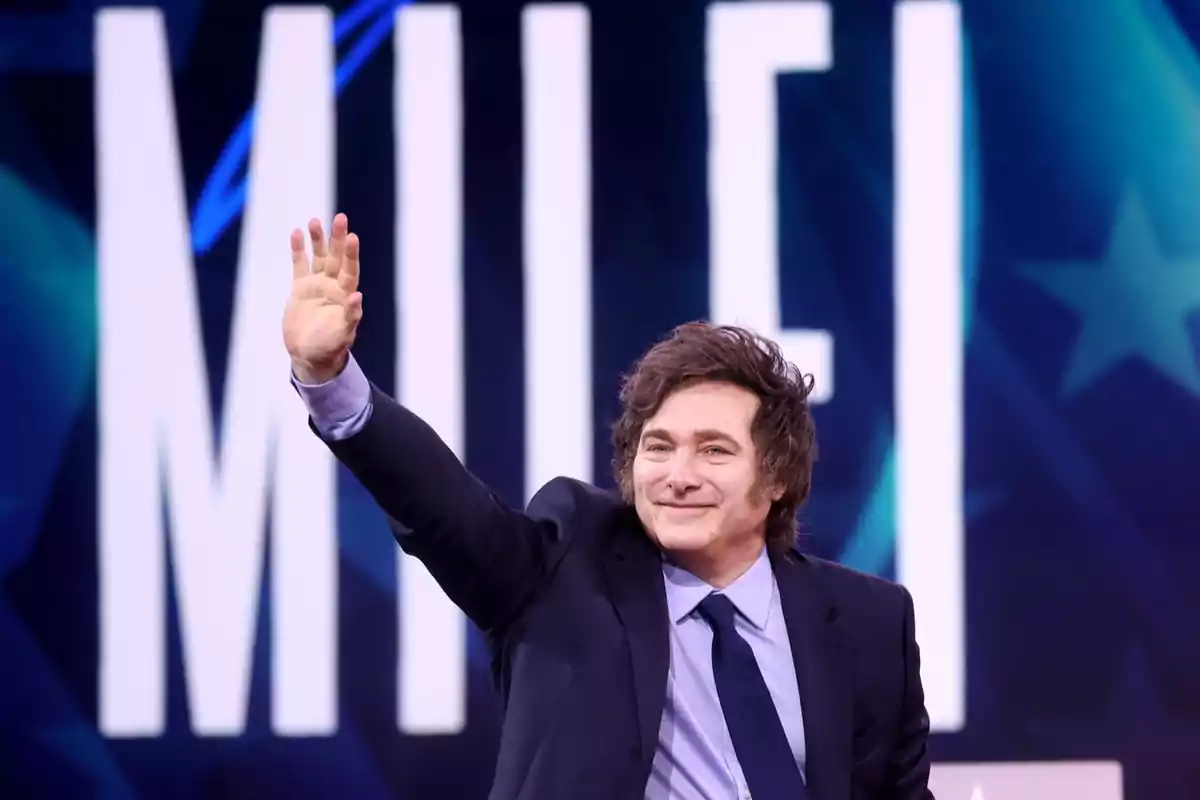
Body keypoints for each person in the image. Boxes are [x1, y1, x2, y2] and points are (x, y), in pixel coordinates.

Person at [284, 213, 934, 800]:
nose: (678, 476)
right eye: (659, 447)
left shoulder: (871, 623)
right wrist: (333, 384)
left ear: (777, 480)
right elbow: (441, 507)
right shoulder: (566, 568)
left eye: (713, 451)